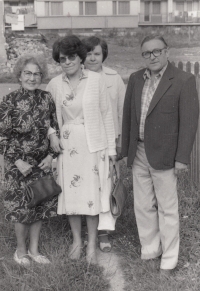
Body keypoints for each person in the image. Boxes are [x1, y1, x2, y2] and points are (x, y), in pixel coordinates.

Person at [121, 35, 199, 276]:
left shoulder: (183, 80)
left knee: (167, 208)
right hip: (139, 151)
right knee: (143, 205)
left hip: (166, 155)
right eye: (147, 53)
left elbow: (188, 122)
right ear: (142, 55)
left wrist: (181, 158)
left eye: (157, 51)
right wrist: (126, 151)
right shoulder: (135, 79)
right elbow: (128, 117)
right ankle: (150, 249)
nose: (152, 56)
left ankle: (169, 259)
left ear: (167, 51)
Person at [46, 35, 116, 264]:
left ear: (80, 57)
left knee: (91, 196)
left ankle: (92, 245)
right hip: (67, 147)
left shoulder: (96, 80)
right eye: (62, 59)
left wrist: (112, 150)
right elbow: (46, 117)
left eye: (71, 57)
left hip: (93, 146)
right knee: (72, 195)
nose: (67, 62)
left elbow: (107, 115)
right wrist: (52, 135)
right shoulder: (55, 84)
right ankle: (77, 241)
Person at [0, 54, 59, 266]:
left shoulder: (46, 99)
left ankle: (34, 249)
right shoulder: (9, 101)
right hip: (18, 166)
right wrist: (17, 161)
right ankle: (21, 250)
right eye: (28, 73)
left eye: (36, 74)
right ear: (20, 75)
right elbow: (2, 136)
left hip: (41, 162)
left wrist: (51, 156)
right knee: (22, 207)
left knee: (40, 205)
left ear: (41, 76)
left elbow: (54, 129)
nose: (32, 78)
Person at [82, 36, 125, 252]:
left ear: (103, 55)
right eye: (88, 53)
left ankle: (104, 233)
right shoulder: (77, 77)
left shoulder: (114, 78)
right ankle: (86, 231)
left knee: (107, 186)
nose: (92, 58)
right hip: (87, 143)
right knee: (88, 187)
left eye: (96, 53)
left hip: (109, 140)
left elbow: (119, 112)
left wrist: (117, 143)